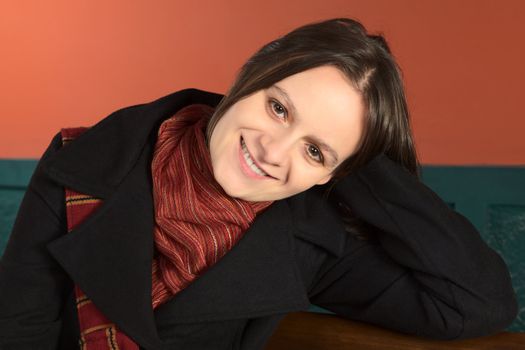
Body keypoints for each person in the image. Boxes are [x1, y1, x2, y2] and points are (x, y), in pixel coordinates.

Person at [0, 17, 518, 349]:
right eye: (278, 108)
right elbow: (21, 333)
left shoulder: (309, 245)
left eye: (314, 150)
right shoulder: (85, 162)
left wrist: (360, 159)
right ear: (251, 75)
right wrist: (328, 147)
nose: (272, 152)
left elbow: (474, 303)